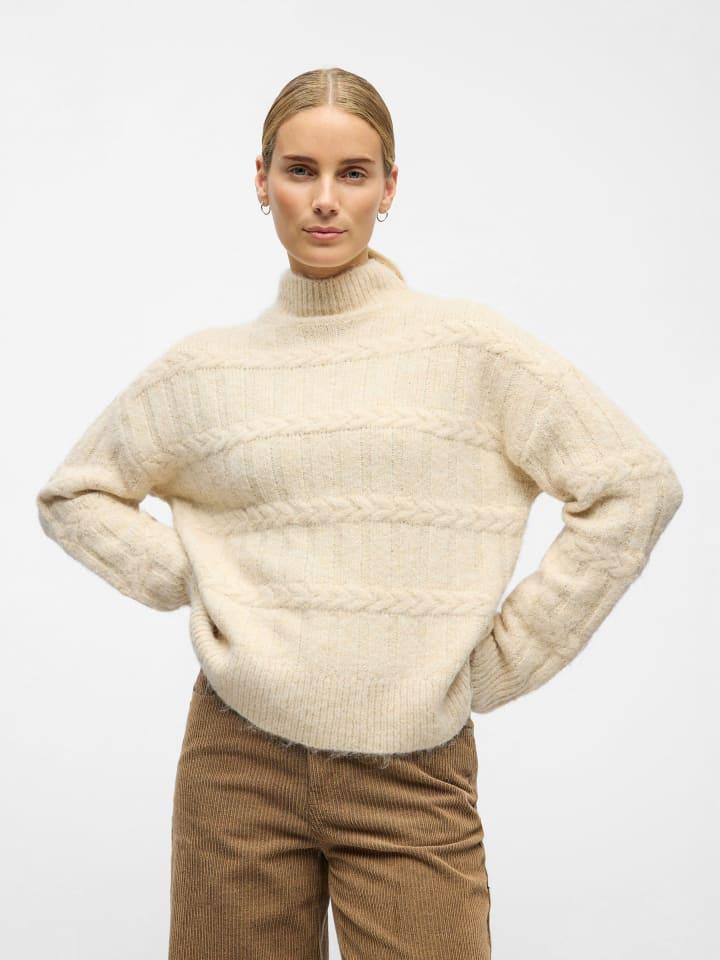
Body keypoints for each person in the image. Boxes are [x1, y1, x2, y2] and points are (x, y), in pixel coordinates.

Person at [36, 67, 683, 960]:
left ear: (389, 186)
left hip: (412, 769)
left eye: (353, 173)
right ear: (260, 181)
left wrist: (505, 659)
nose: (325, 200)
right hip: (236, 762)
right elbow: (74, 492)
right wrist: (197, 579)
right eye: (299, 170)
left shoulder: (470, 350)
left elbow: (633, 484)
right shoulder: (207, 371)